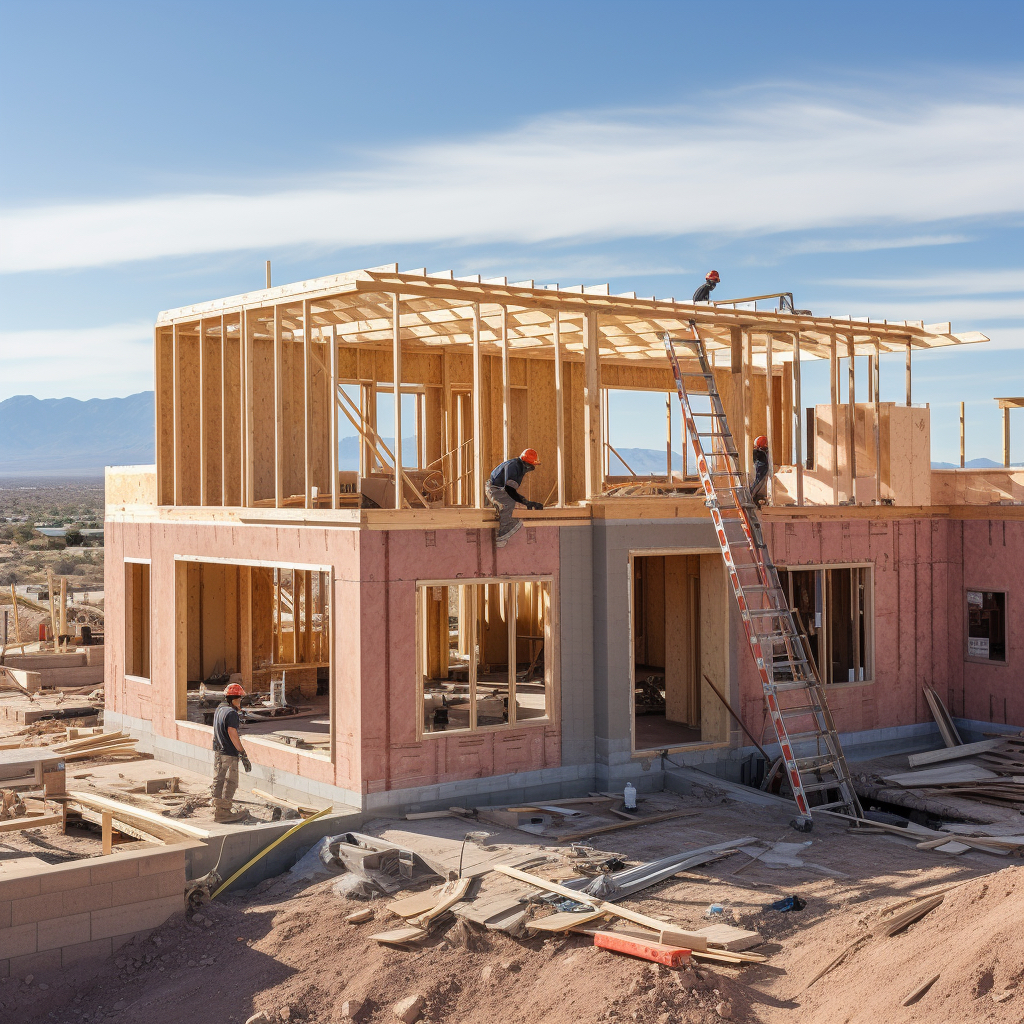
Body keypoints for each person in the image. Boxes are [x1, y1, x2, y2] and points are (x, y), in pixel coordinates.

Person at [211, 682, 252, 823]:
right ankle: (224, 813)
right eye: (240, 698)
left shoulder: (219, 709)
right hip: (229, 753)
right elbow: (232, 732)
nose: (240, 701)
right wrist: (242, 753)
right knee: (231, 782)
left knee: (219, 779)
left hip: (219, 752)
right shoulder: (232, 713)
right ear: (234, 698)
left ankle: (217, 809)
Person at [486, 449, 544, 546]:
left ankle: (506, 528)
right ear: (526, 464)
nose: (531, 469)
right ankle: (502, 534)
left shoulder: (517, 465)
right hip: (494, 489)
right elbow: (510, 491)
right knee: (508, 503)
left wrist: (526, 502)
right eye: (531, 466)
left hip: (497, 488)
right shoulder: (514, 467)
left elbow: (510, 491)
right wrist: (526, 502)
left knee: (510, 502)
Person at [750, 435, 770, 508]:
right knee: (757, 484)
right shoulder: (758, 453)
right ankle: (752, 498)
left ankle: (755, 498)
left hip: (762, 471)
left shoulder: (761, 453)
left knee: (758, 484)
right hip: (761, 471)